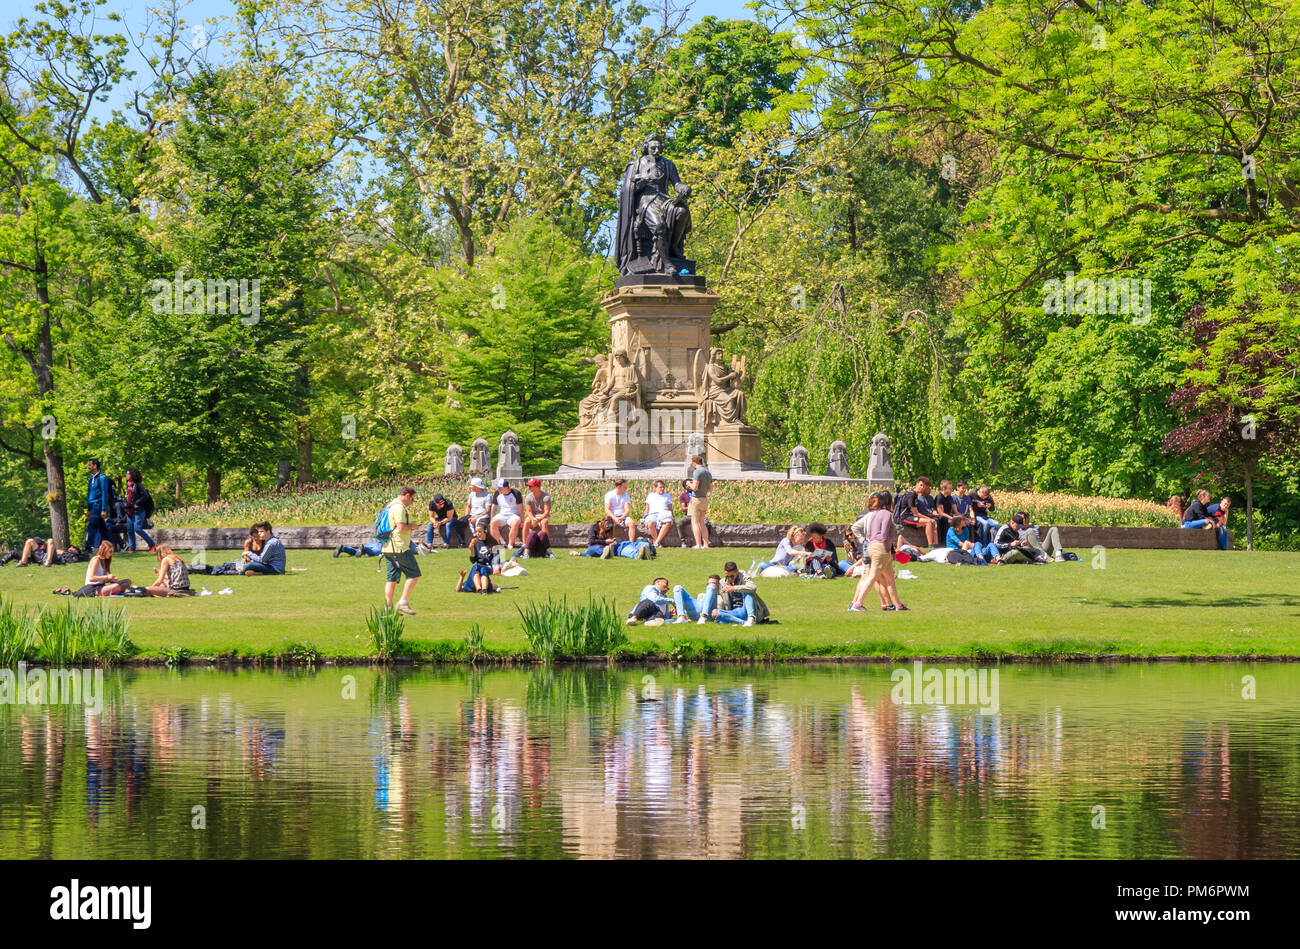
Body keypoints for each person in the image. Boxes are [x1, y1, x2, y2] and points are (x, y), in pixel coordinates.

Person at [849, 492, 906, 612]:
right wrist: (887, 547)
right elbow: (884, 532)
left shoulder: (872, 514)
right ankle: (857, 604)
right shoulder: (885, 514)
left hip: (871, 546)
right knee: (872, 577)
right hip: (881, 547)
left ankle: (898, 605)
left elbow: (858, 528)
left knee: (890, 578)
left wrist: (863, 540)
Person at [378, 487, 420, 614]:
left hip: (387, 548)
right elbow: (401, 528)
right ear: (407, 495)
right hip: (399, 547)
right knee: (414, 574)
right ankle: (403, 602)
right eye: (412, 499)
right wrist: (412, 526)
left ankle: (388, 608)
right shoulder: (399, 507)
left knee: (391, 578)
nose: (411, 502)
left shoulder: (390, 505)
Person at [711, 561, 768, 626]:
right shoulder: (723, 582)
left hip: (746, 609)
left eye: (732, 576)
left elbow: (753, 587)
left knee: (747, 592)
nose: (729, 579)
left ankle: (751, 618)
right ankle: (743, 622)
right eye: (727, 576)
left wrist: (733, 588)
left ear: (737, 572)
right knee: (715, 612)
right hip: (733, 611)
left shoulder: (743, 576)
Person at [122, 468, 156, 553]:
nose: (126, 475)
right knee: (129, 529)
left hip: (139, 511)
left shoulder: (138, 485)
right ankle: (132, 548)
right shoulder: (128, 484)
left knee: (137, 529)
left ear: (132, 475)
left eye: (128, 474)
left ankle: (152, 544)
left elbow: (145, 496)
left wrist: (137, 503)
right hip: (129, 510)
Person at [899, 477, 940, 547]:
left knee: (931, 522)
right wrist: (929, 519)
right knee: (929, 522)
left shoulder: (915, 495)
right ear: (916, 484)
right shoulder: (911, 495)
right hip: (905, 518)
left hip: (912, 517)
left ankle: (934, 545)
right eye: (920, 485)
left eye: (924, 486)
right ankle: (931, 545)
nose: (922, 487)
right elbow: (916, 513)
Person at [488, 479, 524, 550]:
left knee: (515, 523)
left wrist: (522, 521)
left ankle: (510, 544)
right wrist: (491, 518)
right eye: (498, 487)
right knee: (493, 523)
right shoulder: (497, 493)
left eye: (500, 488)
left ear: (506, 487)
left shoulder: (516, 493)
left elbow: (520, 508)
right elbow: (494, 507)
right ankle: (497, 544)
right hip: (502, 514)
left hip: (514, 514)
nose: (499, 489)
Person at [85, 458, 112, 552]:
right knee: (102, 528)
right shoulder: (91, 478)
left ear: (95, 466)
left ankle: (88, 547)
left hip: (98, 504)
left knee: (91, 526)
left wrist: (103, 509)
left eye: (90, 465)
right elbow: (89, 494)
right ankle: (112, 545)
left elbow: (105, 494)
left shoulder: (102, 478)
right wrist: (88, 509)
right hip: (92, 506)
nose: (88, 467)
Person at [521, 478, 552, 558]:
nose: (529, 488)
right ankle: (524, 545)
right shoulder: (528, 497)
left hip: (543, 516)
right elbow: (528, 511)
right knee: (527, 521)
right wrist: (533, 519)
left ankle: (546, 547)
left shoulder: (546, 497)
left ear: (537, 487)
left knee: (544, 522)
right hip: (533, 516)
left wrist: (539, 519)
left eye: (531, 486)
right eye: (529, 486)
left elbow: (546, 512)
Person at [687, 455, 713, 548]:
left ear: (694, 463)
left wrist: (689, 483)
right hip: (704, 499)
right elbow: (710, 489)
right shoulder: (708, 472)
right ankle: (706, 544)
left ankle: (698, 544)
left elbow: (694, 487)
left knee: (694, 522)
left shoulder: (697, 472)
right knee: (702, 522)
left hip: (696, 499)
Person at [641, 479, 675, 547]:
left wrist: (673, 517)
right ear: (655, 488)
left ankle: (656, 543)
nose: (662, 489)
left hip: (664, 514)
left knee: (667, 523)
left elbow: (670, 508)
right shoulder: (651, 495)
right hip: (652, 514)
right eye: (660, 487)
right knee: (650, 523)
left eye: (663, 487)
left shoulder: (667, 496)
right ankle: (657, 542)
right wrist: (643, 517)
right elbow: (647, 508)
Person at [466, 523, 497, 592]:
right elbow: (473, 560)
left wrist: (497, 567)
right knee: (478, 568)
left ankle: (479, 589)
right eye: (476, 532)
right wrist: (472, 550)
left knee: (478, 567)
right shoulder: (476, 543)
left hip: (489, 566)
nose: (477, 534)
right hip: (480, 566)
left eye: (480, 532)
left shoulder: (493, 542)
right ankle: (481, 590)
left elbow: (497, 558)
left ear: (485, 531)